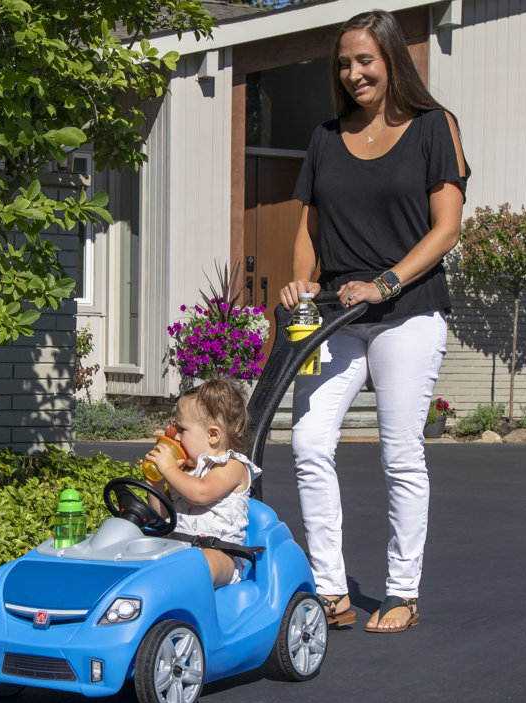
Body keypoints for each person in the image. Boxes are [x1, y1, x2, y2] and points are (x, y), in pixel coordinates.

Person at [280, 9, 469, 632]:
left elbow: (447, 229)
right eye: (344, 63)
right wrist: (304, 277)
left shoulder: (433, 126)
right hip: (337, 316)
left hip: (406, 312)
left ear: (391, 60)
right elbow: (308, 226)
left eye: (365, 60)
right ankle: (331, 589)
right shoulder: (325, 136)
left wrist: (386, 281)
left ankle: (402, 591)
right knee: (307, 443)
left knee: (400, 452)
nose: (353, 73)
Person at [144, 377, 261, 587]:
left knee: (201, 563)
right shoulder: (183, 472)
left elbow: (201, 493)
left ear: (213, 435)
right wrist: (156, 484)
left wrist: (169, 469)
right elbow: (162, 515)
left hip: (221, 553)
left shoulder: (231, 466)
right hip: (177, 549)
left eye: (182, 429)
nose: (175, 437)